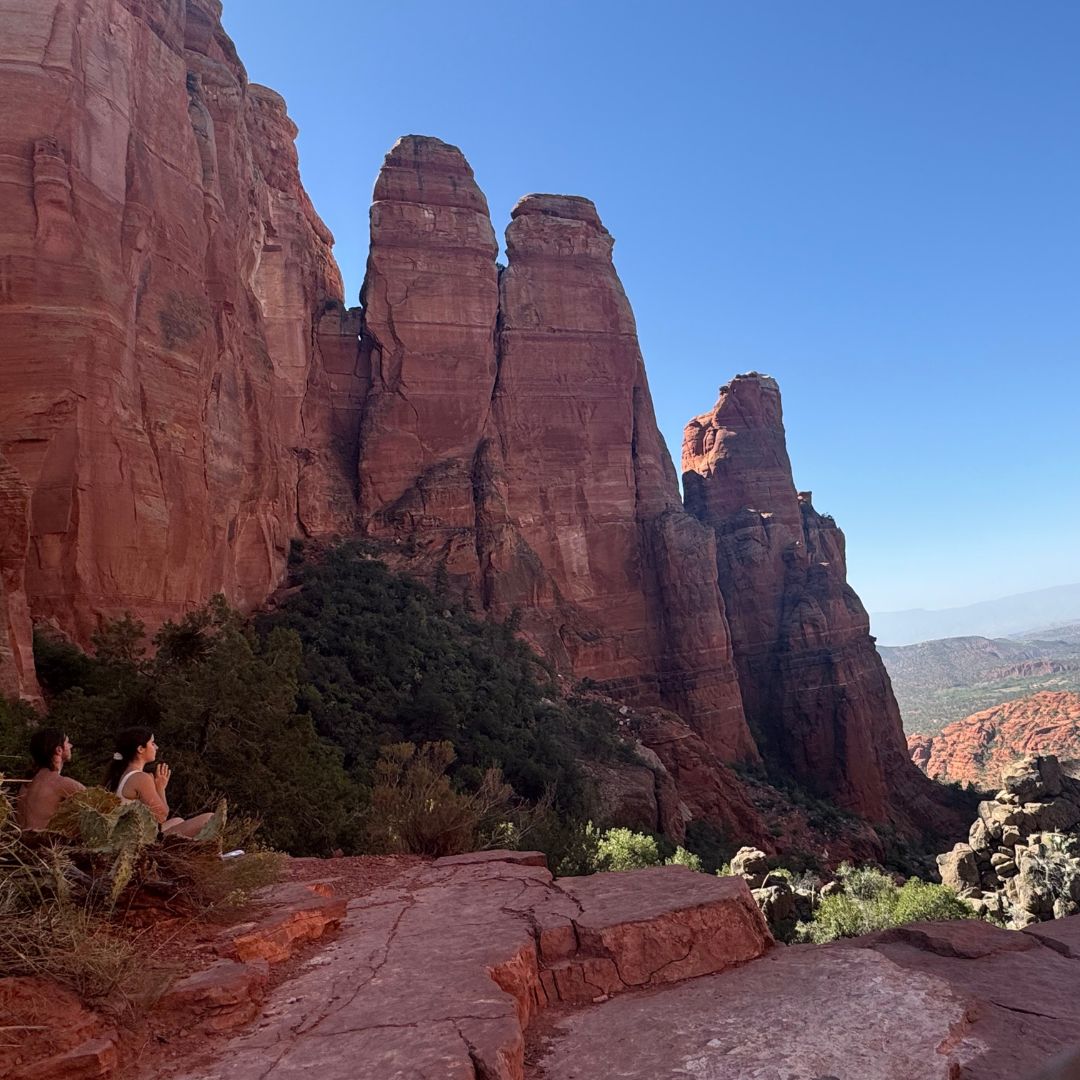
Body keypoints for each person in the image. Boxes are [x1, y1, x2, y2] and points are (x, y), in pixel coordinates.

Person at [103, 727, 214, 838]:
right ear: (141, 749)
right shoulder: (140, 777)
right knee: (210, 818)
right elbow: (161, 817)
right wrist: (160, 788)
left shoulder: (125, 773)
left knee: (178, 820)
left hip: (132, 834)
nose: (156, 747)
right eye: (152, 743)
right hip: (141, 840)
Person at [15, 729, 86, 831]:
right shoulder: (62, 784)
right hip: (45, 844)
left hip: (21, 844)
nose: (71, 746)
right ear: (59, 750)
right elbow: (100, 808)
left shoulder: (25, 785)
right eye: (67, 742)